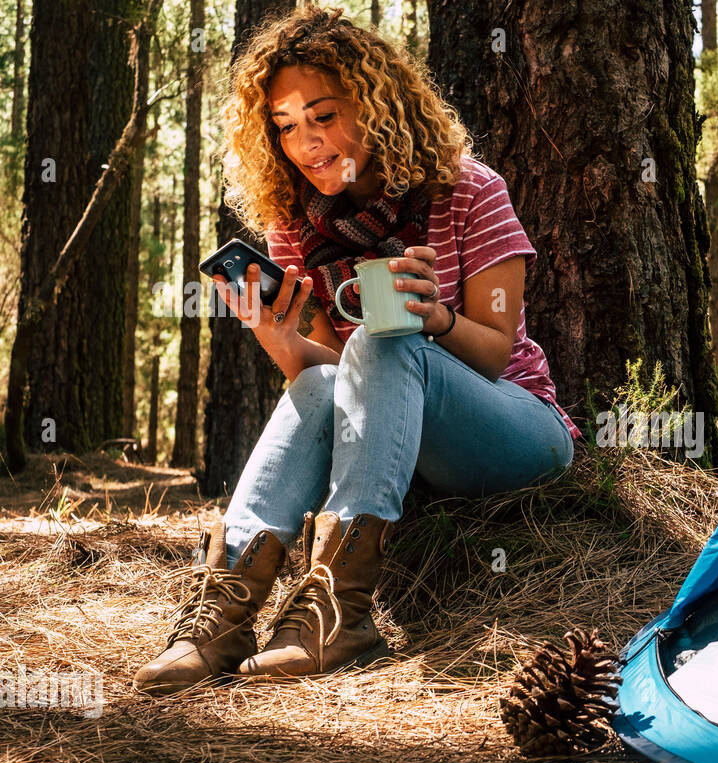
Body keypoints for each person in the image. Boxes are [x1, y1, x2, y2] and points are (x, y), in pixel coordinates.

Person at [134, 5, 579, 695]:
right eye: (284, 126)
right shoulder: (295, 228)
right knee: (316, 384)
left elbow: (494, 356)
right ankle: (218, 618)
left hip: (515, 427)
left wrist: (434, 318)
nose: (307, 142)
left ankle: (339, 612)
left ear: (377, 104)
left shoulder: (469, 192)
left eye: (323, 114)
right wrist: (281, 341)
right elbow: (337, 385)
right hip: (399, 440)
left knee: (384, 338)